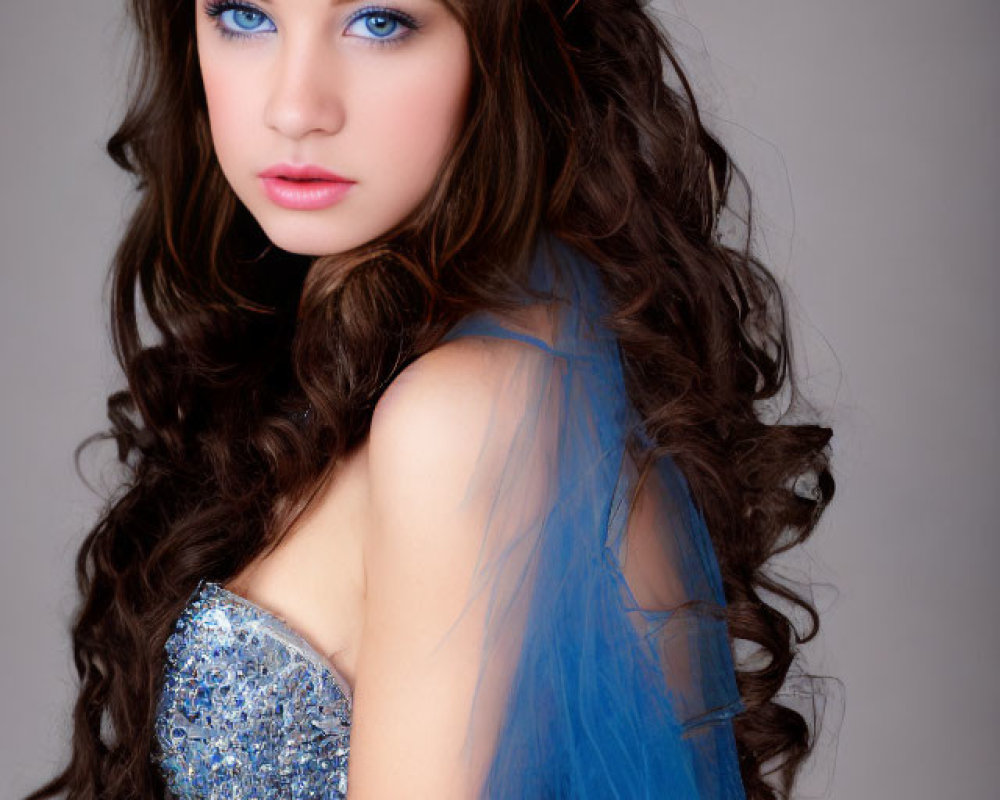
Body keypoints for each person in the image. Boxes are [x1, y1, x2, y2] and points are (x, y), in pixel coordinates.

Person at [27, 0, 836, 798]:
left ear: (505, 45)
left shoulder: (468, 412)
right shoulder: (400, 358)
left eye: (380, 21)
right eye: (243, 15)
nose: (294, 107)